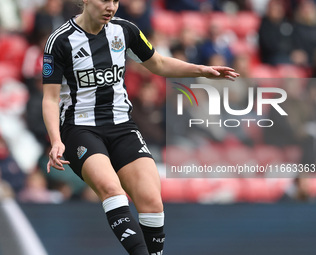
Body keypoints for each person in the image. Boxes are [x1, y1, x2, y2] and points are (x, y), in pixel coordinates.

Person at [42, 0, 239, 254]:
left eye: (115, 0)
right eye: (105, 0)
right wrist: (56, 140)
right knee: (112, 190)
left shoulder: (125, 31)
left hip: (122, 126)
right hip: (80, 129)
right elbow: (49, 98)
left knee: (151, 201)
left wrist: (200, 69)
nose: (111, 6)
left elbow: (157, 63)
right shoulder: (59, 40)